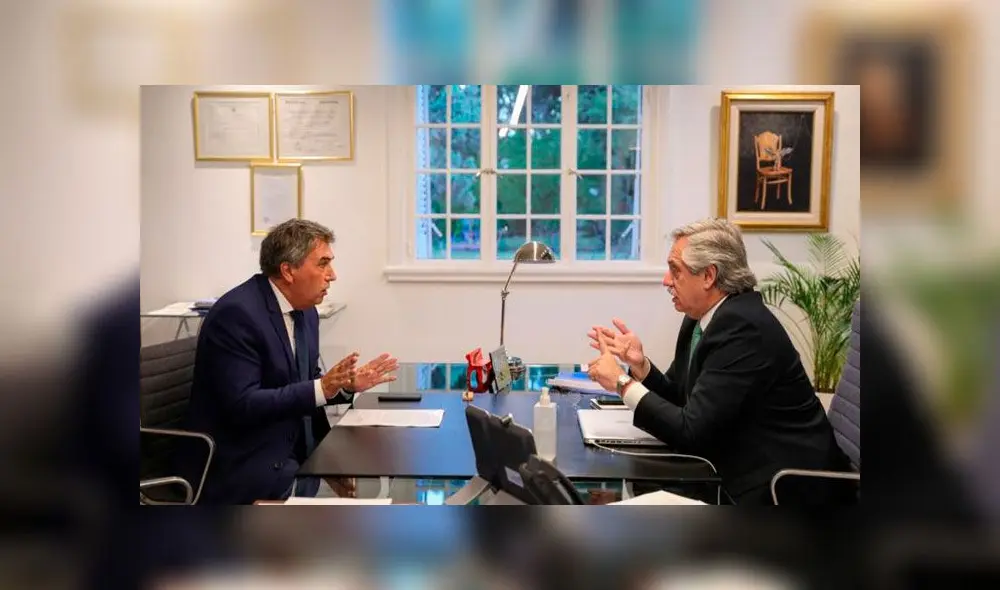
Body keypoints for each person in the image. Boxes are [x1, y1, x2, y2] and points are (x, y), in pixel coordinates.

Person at [586, 218, 853, 505]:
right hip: (731, 468)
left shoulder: (744, 328)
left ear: (708, 276)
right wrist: (641, 367)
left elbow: (690, 432)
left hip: (785, 489)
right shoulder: (701, 319)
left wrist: (622, 383)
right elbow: (683, 398)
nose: (666, 280)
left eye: (675, 270)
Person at [179, 219, 398, 504]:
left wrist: (343, 387)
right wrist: (322, 387)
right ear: (288, 270)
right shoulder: (237, 315)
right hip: (245, 467)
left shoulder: (306, 311)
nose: (332, 275)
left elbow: (307, 385)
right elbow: (243, 405)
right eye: (323, 264)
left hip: (294, 456)